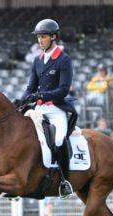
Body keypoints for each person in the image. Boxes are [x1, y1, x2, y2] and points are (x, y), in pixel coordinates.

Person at [18, 18, 76, 197]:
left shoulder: (64, 59)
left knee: (58, 140)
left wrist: (42, 95)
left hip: (57, 109)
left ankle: (65, 181)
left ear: (53, 37)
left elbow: (64, 90)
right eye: (38, 37)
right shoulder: (37, 60)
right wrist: (20, 101)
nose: (39, 40)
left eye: (43, 37)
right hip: (39, 110)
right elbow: (30, 88)